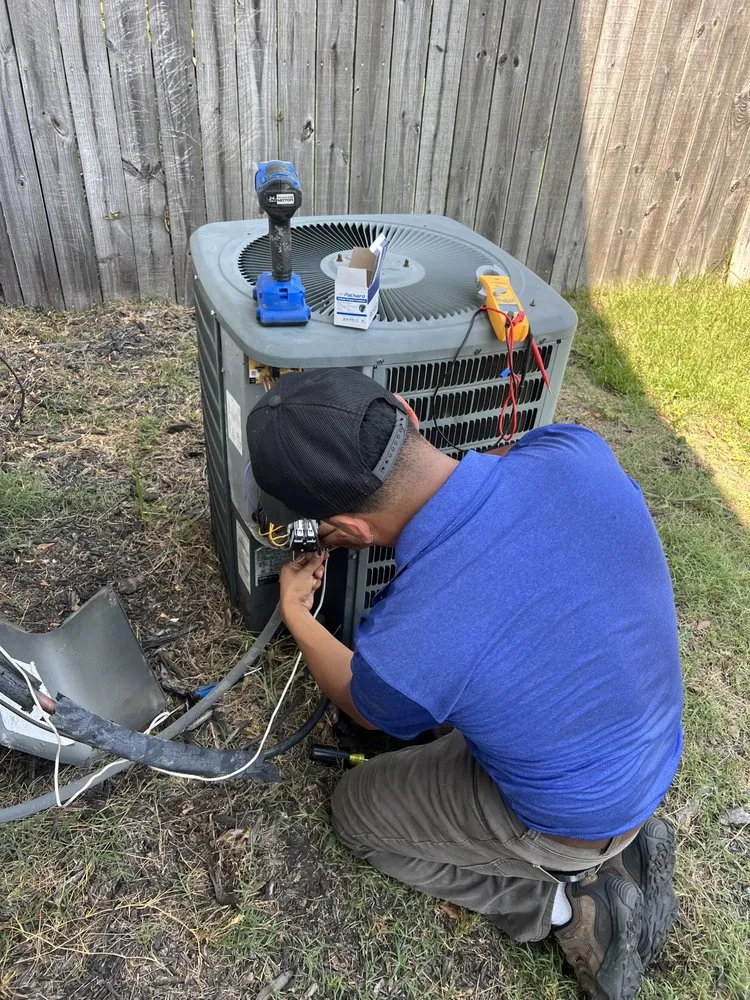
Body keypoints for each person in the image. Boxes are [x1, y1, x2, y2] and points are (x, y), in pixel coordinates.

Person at [246, 367, 683, 1000]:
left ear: (352, 533)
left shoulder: (413, 637)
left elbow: (362, 706)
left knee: (356, 811)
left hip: (568, 818)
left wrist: (296, 615)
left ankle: (565, 907)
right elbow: (495, 486)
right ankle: (625, 843)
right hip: (647, 751)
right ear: (406, 412)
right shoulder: (574, 449)